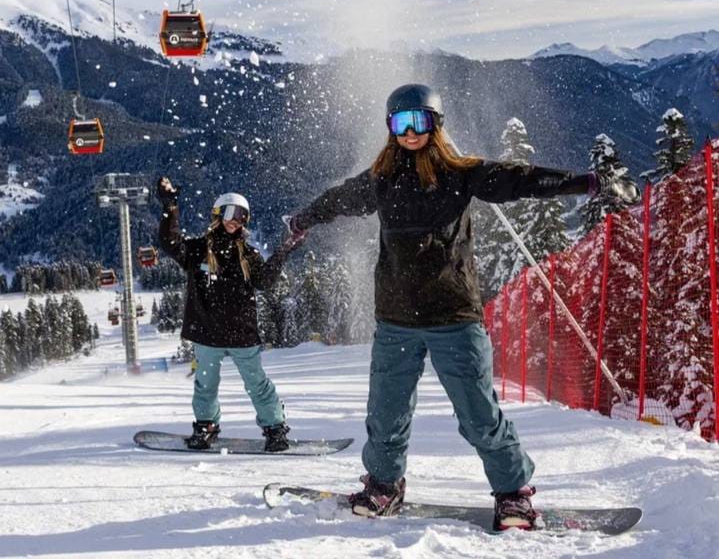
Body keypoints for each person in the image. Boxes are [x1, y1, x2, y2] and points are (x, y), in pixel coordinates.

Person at [287, 83, 638, 529]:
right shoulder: (380, 181)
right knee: (386, 413)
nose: (411, 132)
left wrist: (589, 183)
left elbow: (523, 179)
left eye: (420, 122)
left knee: (478, 415)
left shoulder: (462, 174)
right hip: (396, 319)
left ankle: (513, 494)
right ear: (390, 129)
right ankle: (384, 484)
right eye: (401, 123)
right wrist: (304, 219)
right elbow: (337, 200)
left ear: (436, 125)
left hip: (454, 316)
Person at [157, 177, 306, 452]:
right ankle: (206, 425)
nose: (234, 220)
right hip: (207, 332)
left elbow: (264, 281)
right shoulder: (198, 250)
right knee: (205, 385)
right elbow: (169, 242)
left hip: (241, 333)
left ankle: (274, 427)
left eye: (241, 216)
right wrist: (171, 208)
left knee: (257, 384)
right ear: (217, 215)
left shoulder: (248, 254)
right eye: (228, 213)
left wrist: (284, 250)